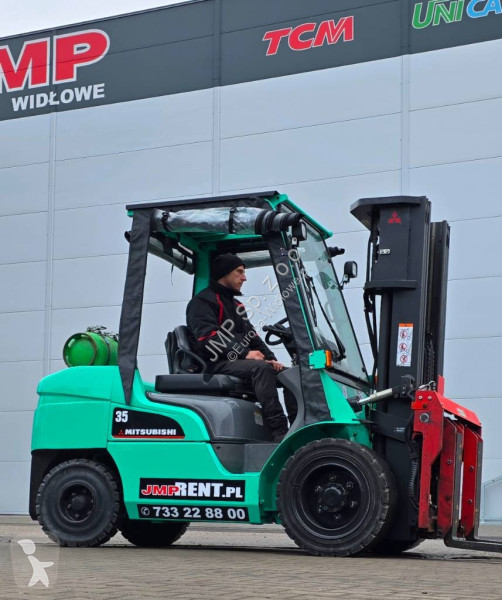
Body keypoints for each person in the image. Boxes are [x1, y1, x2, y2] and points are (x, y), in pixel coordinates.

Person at [186, 253, 296, 442]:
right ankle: (279, 432)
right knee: (260, 369)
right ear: (224, 273)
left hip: (234, 361)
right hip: (213, 363)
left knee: (292, 375)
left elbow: (252, 336)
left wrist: (271, 358)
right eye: (239, 272)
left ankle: (297, 429)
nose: (244, 278)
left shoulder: (236, 305)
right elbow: (208, 338)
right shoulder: (202, 302)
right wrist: (245, 353)